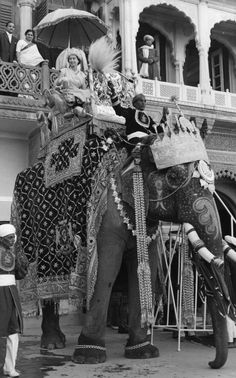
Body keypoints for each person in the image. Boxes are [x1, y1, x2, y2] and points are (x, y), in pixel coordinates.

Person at [108, 80, 163, 148]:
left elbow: (156, 129)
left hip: (147, 139)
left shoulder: (148, 118)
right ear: (135, 103)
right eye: (141, 100)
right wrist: (113, 93)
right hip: (134, 140)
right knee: (151, 139)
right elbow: (118, 109)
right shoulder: (130, 112)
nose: (143, 103)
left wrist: (163, 119)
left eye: (145, 101)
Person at [0, 224, 24, 377]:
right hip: (1, 292)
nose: (13, 240)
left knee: (13, 331)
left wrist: (22, 267)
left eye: (14, 236)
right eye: (9, 237)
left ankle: (10, 367)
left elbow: (19, 275)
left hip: (11, 292)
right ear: (1, 239)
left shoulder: (13, 253)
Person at [46, 48, 90, 117]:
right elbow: (57, 83)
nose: (72, 60)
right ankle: (70, 110)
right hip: (67, 93)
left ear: (78, 60)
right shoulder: (64, 71)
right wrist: (62, 80)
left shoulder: (82, 75)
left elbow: (84, 88)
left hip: (78, 94)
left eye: (74, 58)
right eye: (70, 59)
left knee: (88, 93)